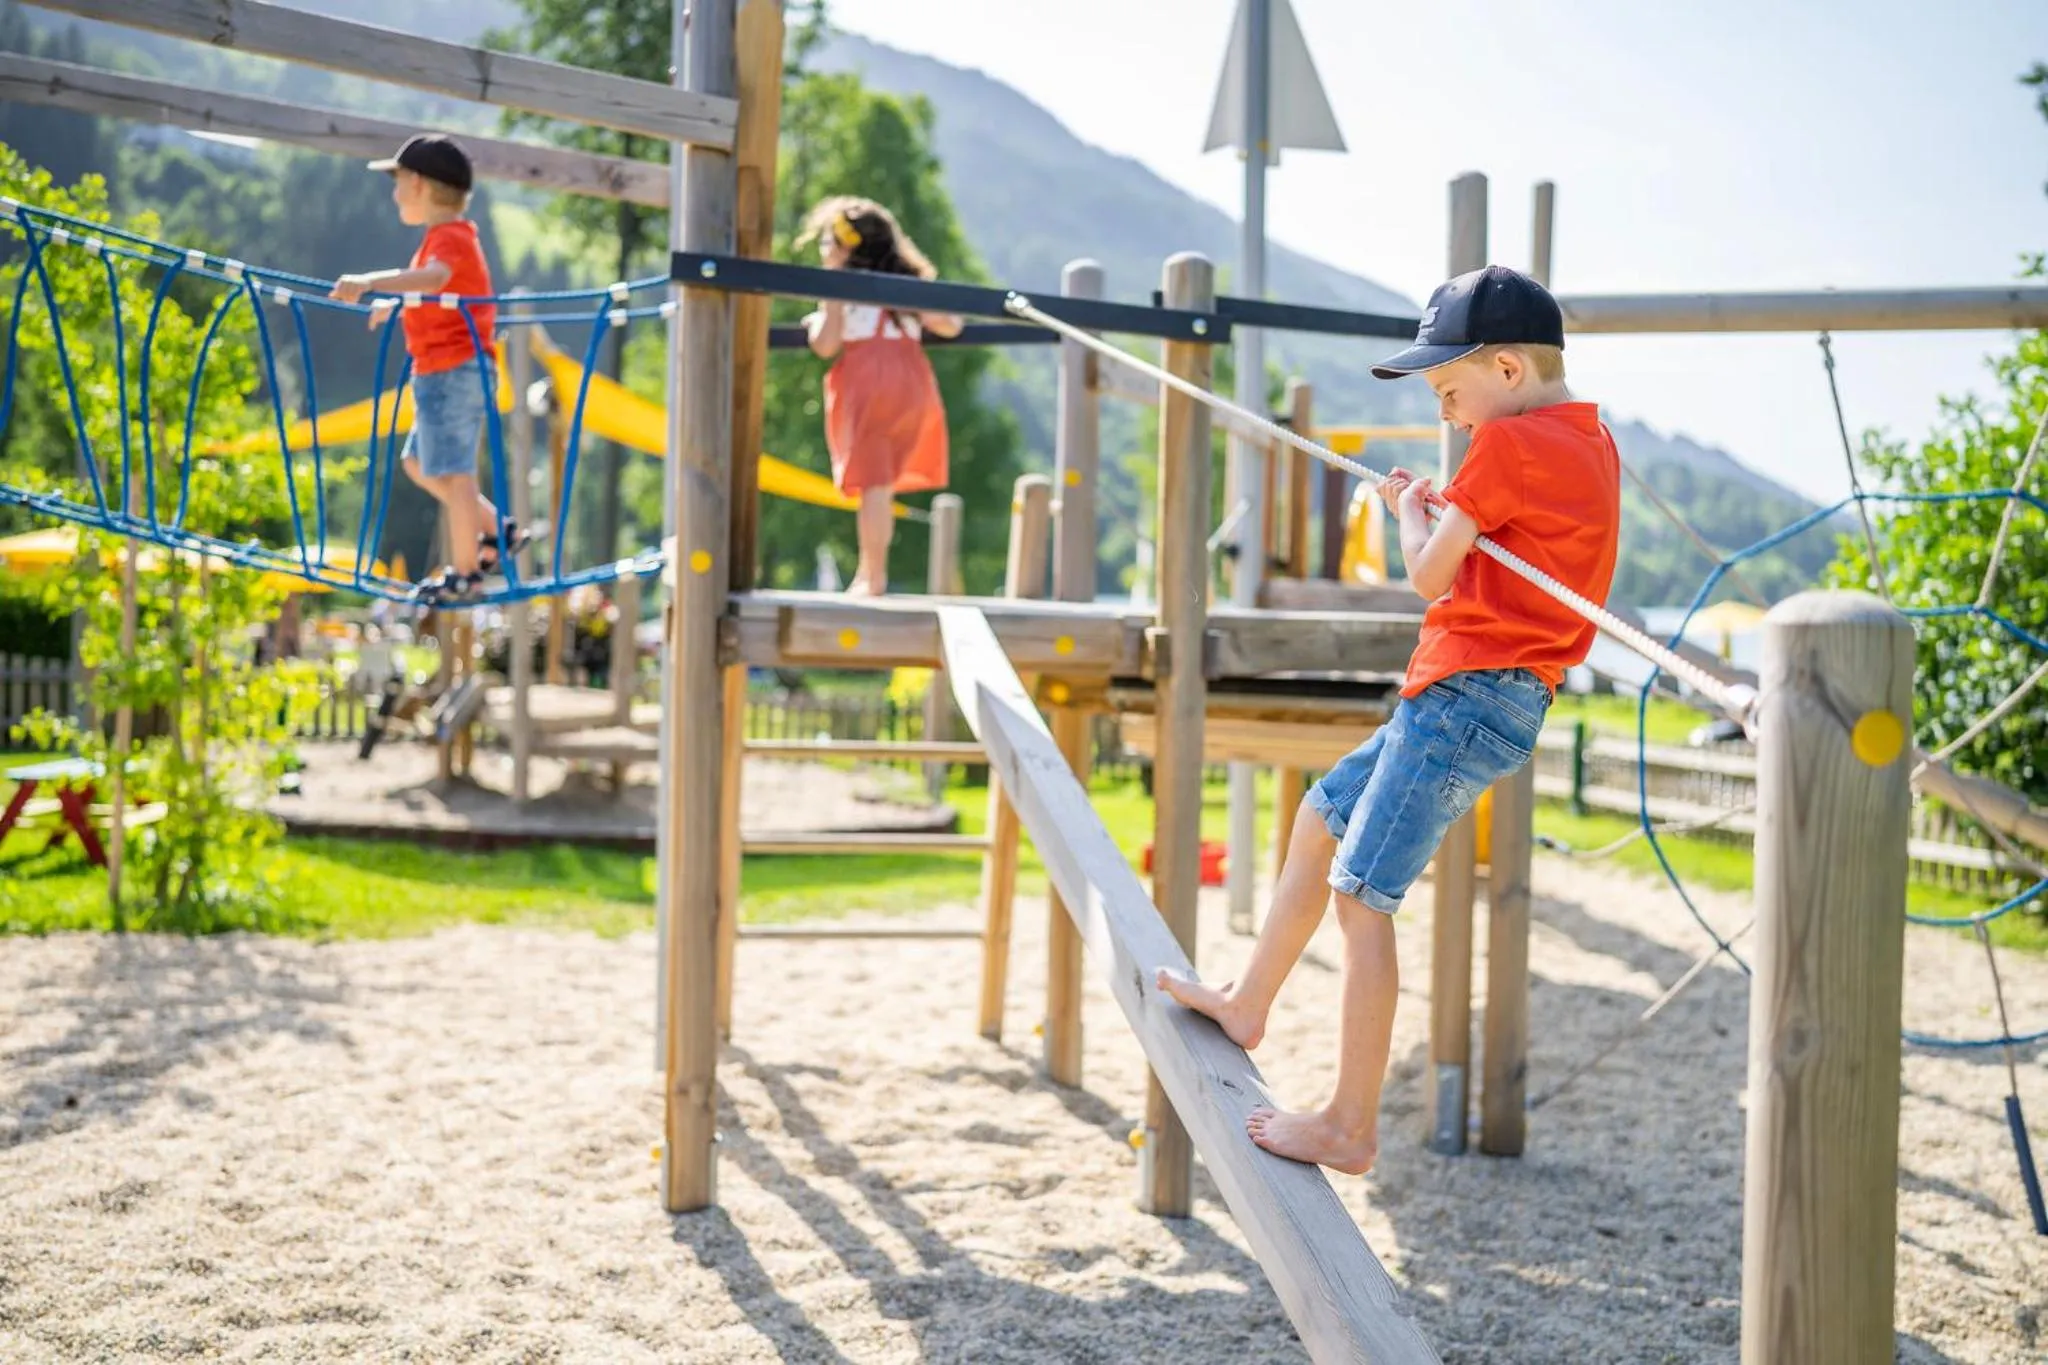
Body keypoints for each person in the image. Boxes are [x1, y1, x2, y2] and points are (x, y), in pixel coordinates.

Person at [1158, 266, 1621, 1175]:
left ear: (1508, 370)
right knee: (1319, 815)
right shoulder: (1590, 441)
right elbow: (1515, 544)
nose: (1447, 413)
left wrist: (1407, 514)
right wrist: (1451, 513)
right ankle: (1249, 1001)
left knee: (1361, 897)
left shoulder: (1505, 442)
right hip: (1495, 694)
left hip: (1465, 693)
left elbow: (1428, 577)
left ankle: (1349, 1124)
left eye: (1449, 390)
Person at [330, 135, 525, 605]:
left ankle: (466, 574)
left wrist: (372, 282)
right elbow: (438, 295)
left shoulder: (450, 238)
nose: (394, 194)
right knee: (418, 463)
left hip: (453, 371)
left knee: (455, 472)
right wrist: (399, 305)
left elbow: (436, 280)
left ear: (417, 183)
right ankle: (497, 530)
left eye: (397, 182)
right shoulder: (444, 240)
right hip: (442, 372)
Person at [796, 196, 963, 596]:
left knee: (874, 484)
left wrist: (823, 308)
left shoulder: (843, 286)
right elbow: (950, 324)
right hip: (911, 381)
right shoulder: (905, 285)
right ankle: (871, 573)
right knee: (880, 485)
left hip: (869, 382)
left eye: (827, 242)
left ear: (843, 247)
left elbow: (825, 344)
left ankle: (871, 576)